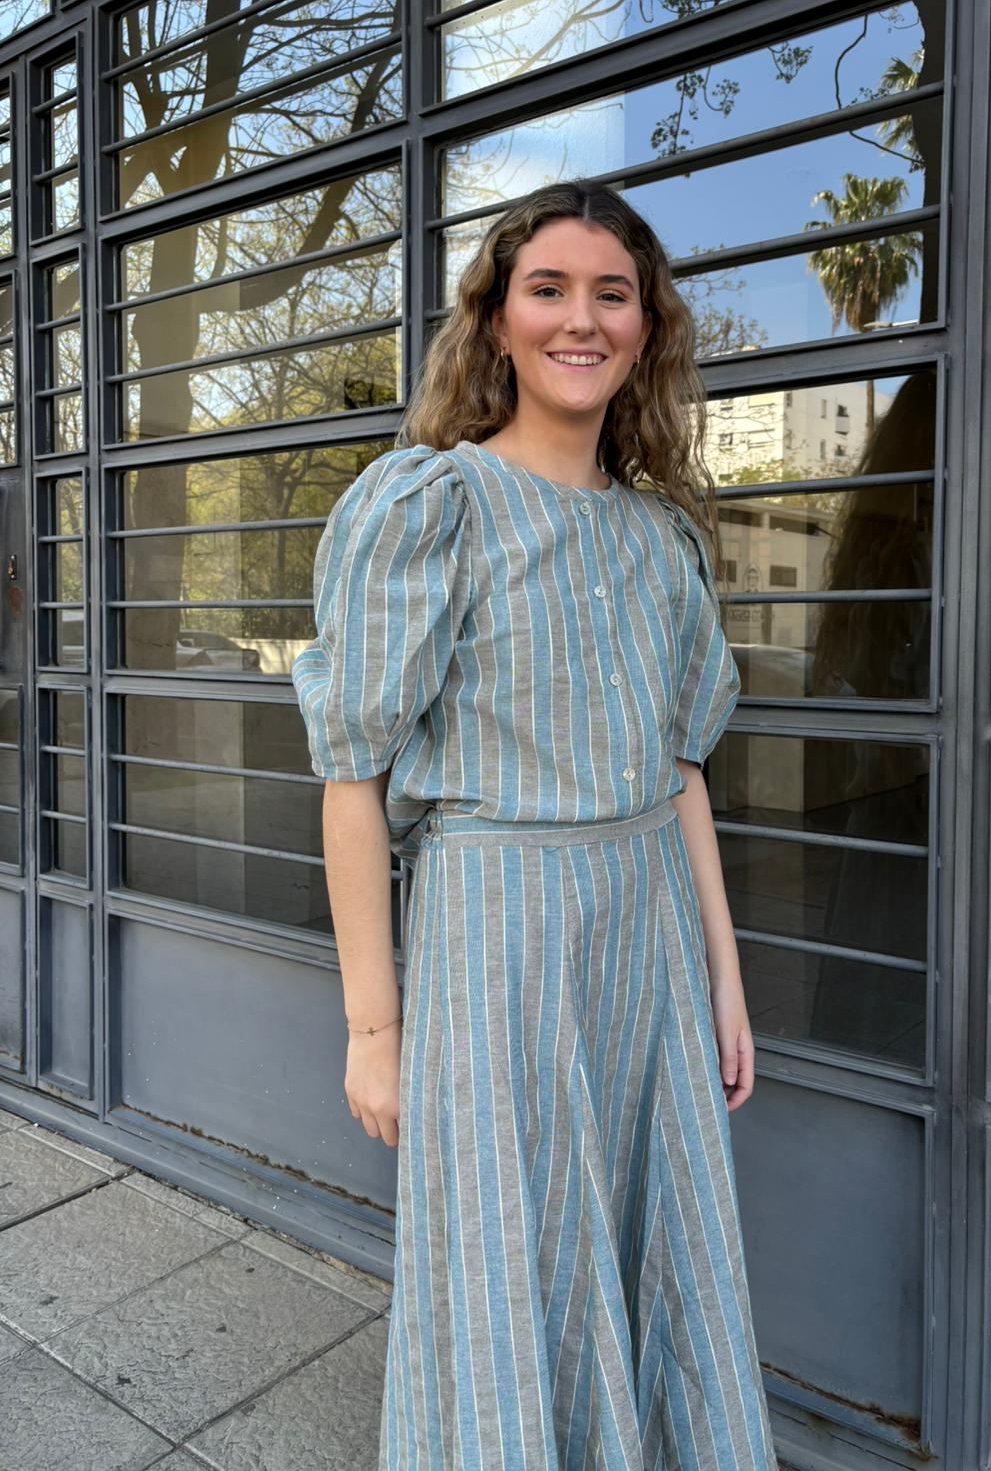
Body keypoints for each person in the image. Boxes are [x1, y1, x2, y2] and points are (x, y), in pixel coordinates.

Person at [291, 179, 777, 1471]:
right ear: (495, 322)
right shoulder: (430, 508)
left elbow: (681, 773)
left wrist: (723, 983)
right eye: (547, 290)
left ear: (648, 326)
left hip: (648, 939)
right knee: (508, 1262)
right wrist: (374, 1030)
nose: (581, 319)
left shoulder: (661, 537)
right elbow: (353, 773)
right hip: (496, 936)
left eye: (611, 293)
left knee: (653, 1239)